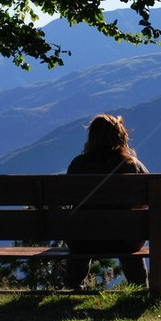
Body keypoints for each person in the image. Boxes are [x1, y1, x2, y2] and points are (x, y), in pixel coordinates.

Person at [66, 114, 150, 289]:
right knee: (130, 230)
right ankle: (140, 287)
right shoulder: (132, 165)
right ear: (120, 136)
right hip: (125, 240)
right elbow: (149, 201)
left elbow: (72, 203)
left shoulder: (78, 165)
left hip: (85, 239)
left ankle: (73, 286)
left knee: (79, 232)